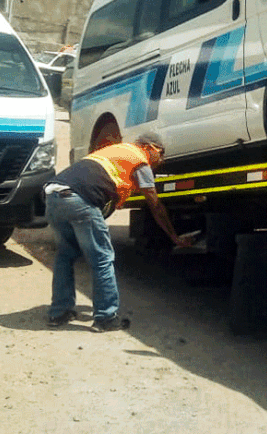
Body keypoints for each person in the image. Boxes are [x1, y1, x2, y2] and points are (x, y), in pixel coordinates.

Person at [44, 132, 192, 331]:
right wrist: (174, 236)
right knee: (102, 258)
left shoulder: (113, 152)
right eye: (161, 153)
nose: (162, 160)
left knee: (65, 254)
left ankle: (59, 312)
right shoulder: (140, 159)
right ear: (149, 148)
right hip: (79, 199)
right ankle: (106, 317)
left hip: (53, 196)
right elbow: (155, 204)